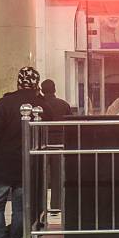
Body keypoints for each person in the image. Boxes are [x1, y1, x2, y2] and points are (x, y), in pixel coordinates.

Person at [0, 67, 52, 238]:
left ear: (18, 82)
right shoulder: (40, 105)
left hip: (1, 166)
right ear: (36, 83)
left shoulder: (4, 103)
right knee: (20, 209)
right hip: (26, 167)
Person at [40, 79, 72, 211]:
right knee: (57, 177)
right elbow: (70, 124)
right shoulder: (63, 104)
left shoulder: (39, 105)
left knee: (40, 176)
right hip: (59, 142)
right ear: (55, 89)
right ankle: (56, 205)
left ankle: (40, 206)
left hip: (41, 142)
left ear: (42, 90)